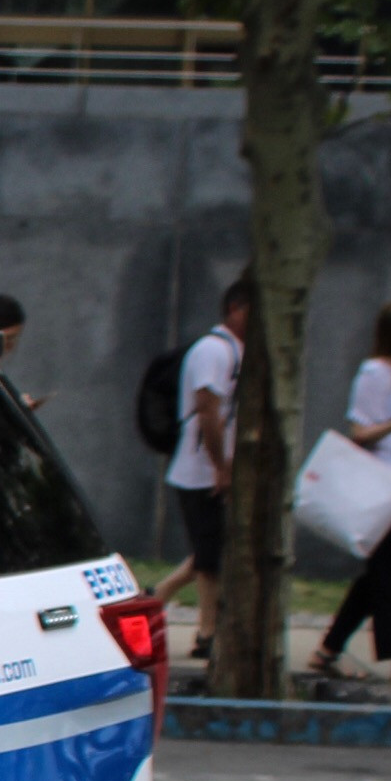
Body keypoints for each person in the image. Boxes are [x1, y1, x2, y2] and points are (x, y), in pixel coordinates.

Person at [310, 298, 391, 687]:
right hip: (379, 487)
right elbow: (360, 432)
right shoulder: (376, 373)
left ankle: (329, 648)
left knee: (377, 575)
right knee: (385, 575)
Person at [150, 275, 249, 664]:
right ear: (236, 310)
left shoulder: (237, 351)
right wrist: (220, 466)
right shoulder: (214, 350)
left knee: (213, 548)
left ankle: (160, 593)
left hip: (214, 467)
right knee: (211, 558)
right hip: (200, 469)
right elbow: (208, 410)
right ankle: (207, 632)